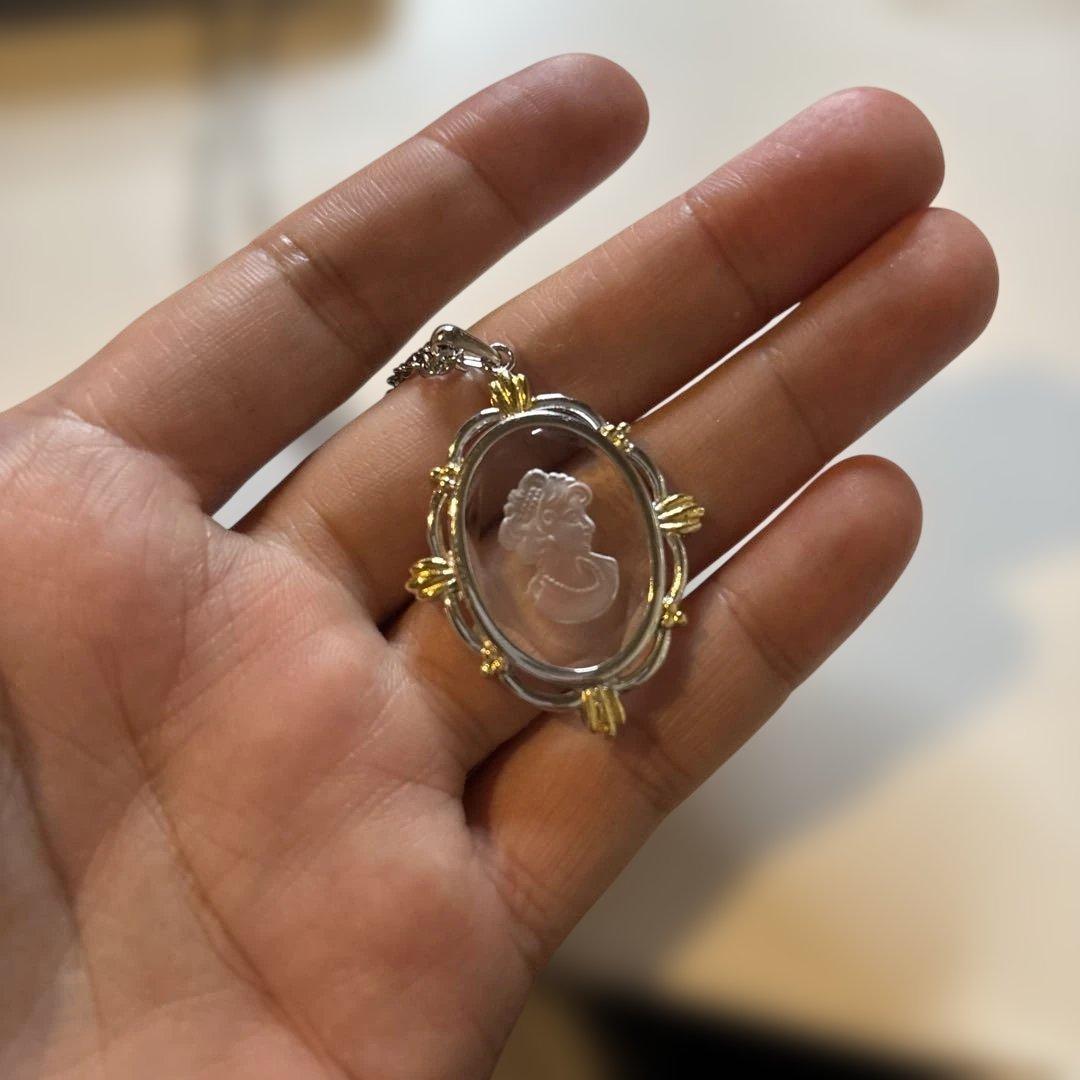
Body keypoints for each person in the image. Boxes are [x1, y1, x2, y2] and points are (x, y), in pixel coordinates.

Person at [0, 54, 995, 1079]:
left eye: (558, 512)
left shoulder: (597, 578)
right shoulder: (542, 576)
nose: (556, 523)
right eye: (542, 517)